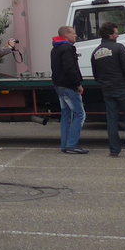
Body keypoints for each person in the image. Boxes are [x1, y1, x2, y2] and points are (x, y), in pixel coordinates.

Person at [89, 22, 125, 157]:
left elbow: (96, 73)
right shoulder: (119, 48)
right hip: (123, 88)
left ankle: (114, 150)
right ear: (110, 35)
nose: (118, 35)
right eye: (116, 32)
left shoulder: (96, 51)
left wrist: (104, 83)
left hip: (107, 90)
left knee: (111, 119)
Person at [50, 26, 88, 154]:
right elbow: (70, 68)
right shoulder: (68, 48)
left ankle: (65, 144)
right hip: (69, 86)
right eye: (73, 33)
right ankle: (72, 145)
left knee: (66, 115)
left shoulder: (55, 49)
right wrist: (78, 84)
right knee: (79, 114)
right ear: (66, 35)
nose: (76, 35)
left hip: (59, 86)